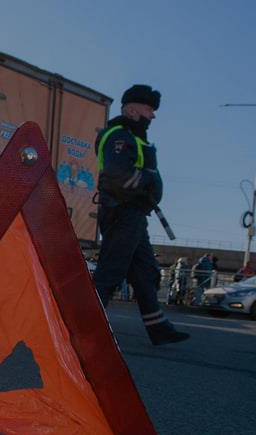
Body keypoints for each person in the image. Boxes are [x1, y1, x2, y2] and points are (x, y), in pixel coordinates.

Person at [91, 84, 188, 345]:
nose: (152, 115)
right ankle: (84, 328)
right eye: (148, 109)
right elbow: (116, 175)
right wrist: (149, 179)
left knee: (146, 272)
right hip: (122, 212)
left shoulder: (132, 137)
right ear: (132, 110)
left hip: (132, 214)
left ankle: (158, 328)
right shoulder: (120, 136)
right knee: (110, 272)